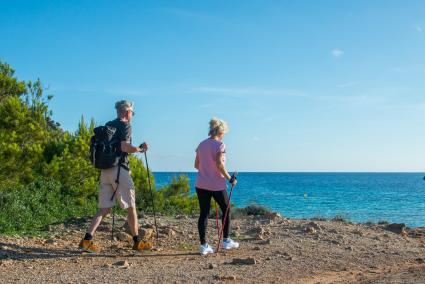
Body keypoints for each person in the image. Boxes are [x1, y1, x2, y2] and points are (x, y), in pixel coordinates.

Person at [79, 100, 150, 252]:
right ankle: (138, 241)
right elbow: (124, 147)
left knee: (104, 209)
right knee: (131, 207)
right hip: (119, 170)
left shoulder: (109, 124)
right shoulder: (125, 125)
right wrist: (139, 149)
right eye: (132, 112)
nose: (132, 115)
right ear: (126, 112)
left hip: (105, 170)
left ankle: (87, 240)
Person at [194, 117, 239, 255]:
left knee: (204, 214)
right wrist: (230, 178)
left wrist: (206, 168)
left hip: (201, 184)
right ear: (220, 131)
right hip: (217, 185)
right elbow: (219, 164)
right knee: (226, 210)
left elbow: (196, 165)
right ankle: (226, 241)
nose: (224, 134)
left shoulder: (201, 145)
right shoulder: (220, 145)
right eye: (224, 132)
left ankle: (203, 245)